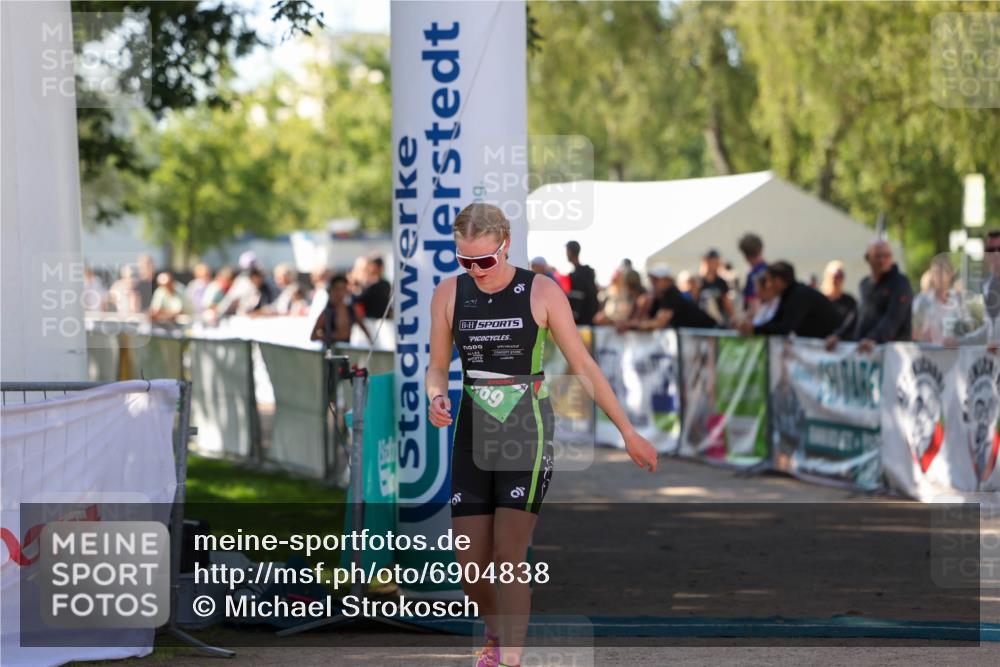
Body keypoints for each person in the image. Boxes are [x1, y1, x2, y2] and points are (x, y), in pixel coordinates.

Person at [426, 203, 657, 667]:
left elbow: (584, 367)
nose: (476, 271)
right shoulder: (450, 293)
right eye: (464, 261)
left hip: (525, 432)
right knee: (470, 566)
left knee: (508, 552)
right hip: (472, 431)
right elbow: (436, 367)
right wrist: (435, 396)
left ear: (505, 245)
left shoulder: (542, 290)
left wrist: (627, 431)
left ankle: (510, 658)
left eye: (485, 262)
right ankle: (495, 630)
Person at [825, 239, 912, 352]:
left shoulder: (900, 283)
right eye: (878, 256)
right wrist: (838, 335)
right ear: (868, 258)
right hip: (865, 351)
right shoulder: (865, 284)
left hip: (892, 354)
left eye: (886, 256)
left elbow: (894, 317)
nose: (882, 260)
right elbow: (857, 313)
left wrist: (874, 338)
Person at [737, 261, 840, 338]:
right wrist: (753, 328)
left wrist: (755, 329)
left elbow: (785, 327)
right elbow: (777, 320)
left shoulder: (799, 295)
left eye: (769, 281)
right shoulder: (787, 296)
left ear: (778, 281)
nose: (768, 285)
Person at [624, 264, 716, 331]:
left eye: (657, 279)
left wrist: (634, 325)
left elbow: (659, 323)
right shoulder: (658, 296)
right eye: (652, 279)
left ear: (668, 280)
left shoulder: (672, 295)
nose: (653, 282)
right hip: (698, 337)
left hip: (711, 333)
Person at [912, 256, 963, 344]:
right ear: (932, 275)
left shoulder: (958, 300)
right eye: (937, 272)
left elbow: (966, 329)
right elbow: (915, 333)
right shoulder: (922, 301)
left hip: (955, 354)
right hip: (929, 354)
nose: (940, 277)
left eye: (944, 272)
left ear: (951, 274)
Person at [310, 274, 372, 345]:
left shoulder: (351, 310)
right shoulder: (327, 312)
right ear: (331, 290)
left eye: (342, 289)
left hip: (345, 351)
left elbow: (363, 327)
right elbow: (313, 336)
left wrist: (372, 343)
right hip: (331, 352)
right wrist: (332, 336)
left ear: (346, 290)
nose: (339, 293)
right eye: (337, 289)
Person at [565, 240, 599, 325]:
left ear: (569, 252)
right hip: (590, 321)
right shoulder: (587, 272)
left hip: (582, 323)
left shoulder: (576, 275)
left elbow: (577, 302)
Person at [820, 260, 858, 332]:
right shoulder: (819, 300)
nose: (837, 280)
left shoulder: (850, 301)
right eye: (834, 276)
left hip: (842, 340)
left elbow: (851, 323)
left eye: (840, 276)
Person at [698, 249, 732, 325]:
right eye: (711, 261)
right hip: (703, 320)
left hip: (718, 321)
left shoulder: (721, 282)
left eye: (716, 261)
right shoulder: (699, 281)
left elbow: (726, 302)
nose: (714, 264)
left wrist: (732, 318)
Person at [738, 233, 767, 310]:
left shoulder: (752, 275)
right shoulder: (770, 270)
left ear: (746, 255)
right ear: (761, 249)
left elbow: (752, 303)